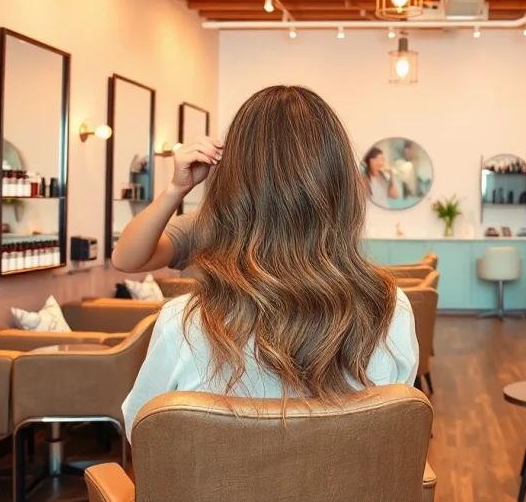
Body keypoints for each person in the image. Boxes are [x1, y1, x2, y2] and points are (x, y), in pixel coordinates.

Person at [118, 86, 419, 441]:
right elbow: (396, 431)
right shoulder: (391, 310)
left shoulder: (181, 323)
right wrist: (174, 189)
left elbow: (143, 431)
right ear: (339, 187)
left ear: (234, 180)